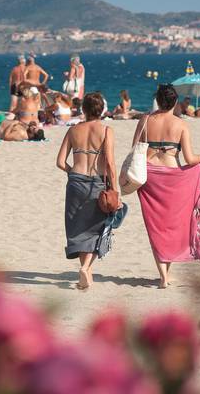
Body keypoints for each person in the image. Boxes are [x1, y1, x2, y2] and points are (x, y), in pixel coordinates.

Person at [132, 84, 200, 289]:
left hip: (149, 176)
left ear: (158, 100)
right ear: (175, 102)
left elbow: (135, 149)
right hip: (172, 177)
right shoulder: (181, 124)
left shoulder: (145, 119)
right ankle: (165, 275)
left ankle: (163, 275)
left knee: (155, 226)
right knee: (172, 225)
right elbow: (189, 159)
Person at [55, 92, 118, 290]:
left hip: (75, 181)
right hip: (96, 183)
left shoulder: (73, 130)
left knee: (79, 227)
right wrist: (115, 190)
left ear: (83, 109)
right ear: (102, 110)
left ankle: (86, 270)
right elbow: (109, 162)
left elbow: (59, 162)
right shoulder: (107, 130)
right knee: (96, 228)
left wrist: (72, 173)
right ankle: (85, 267)